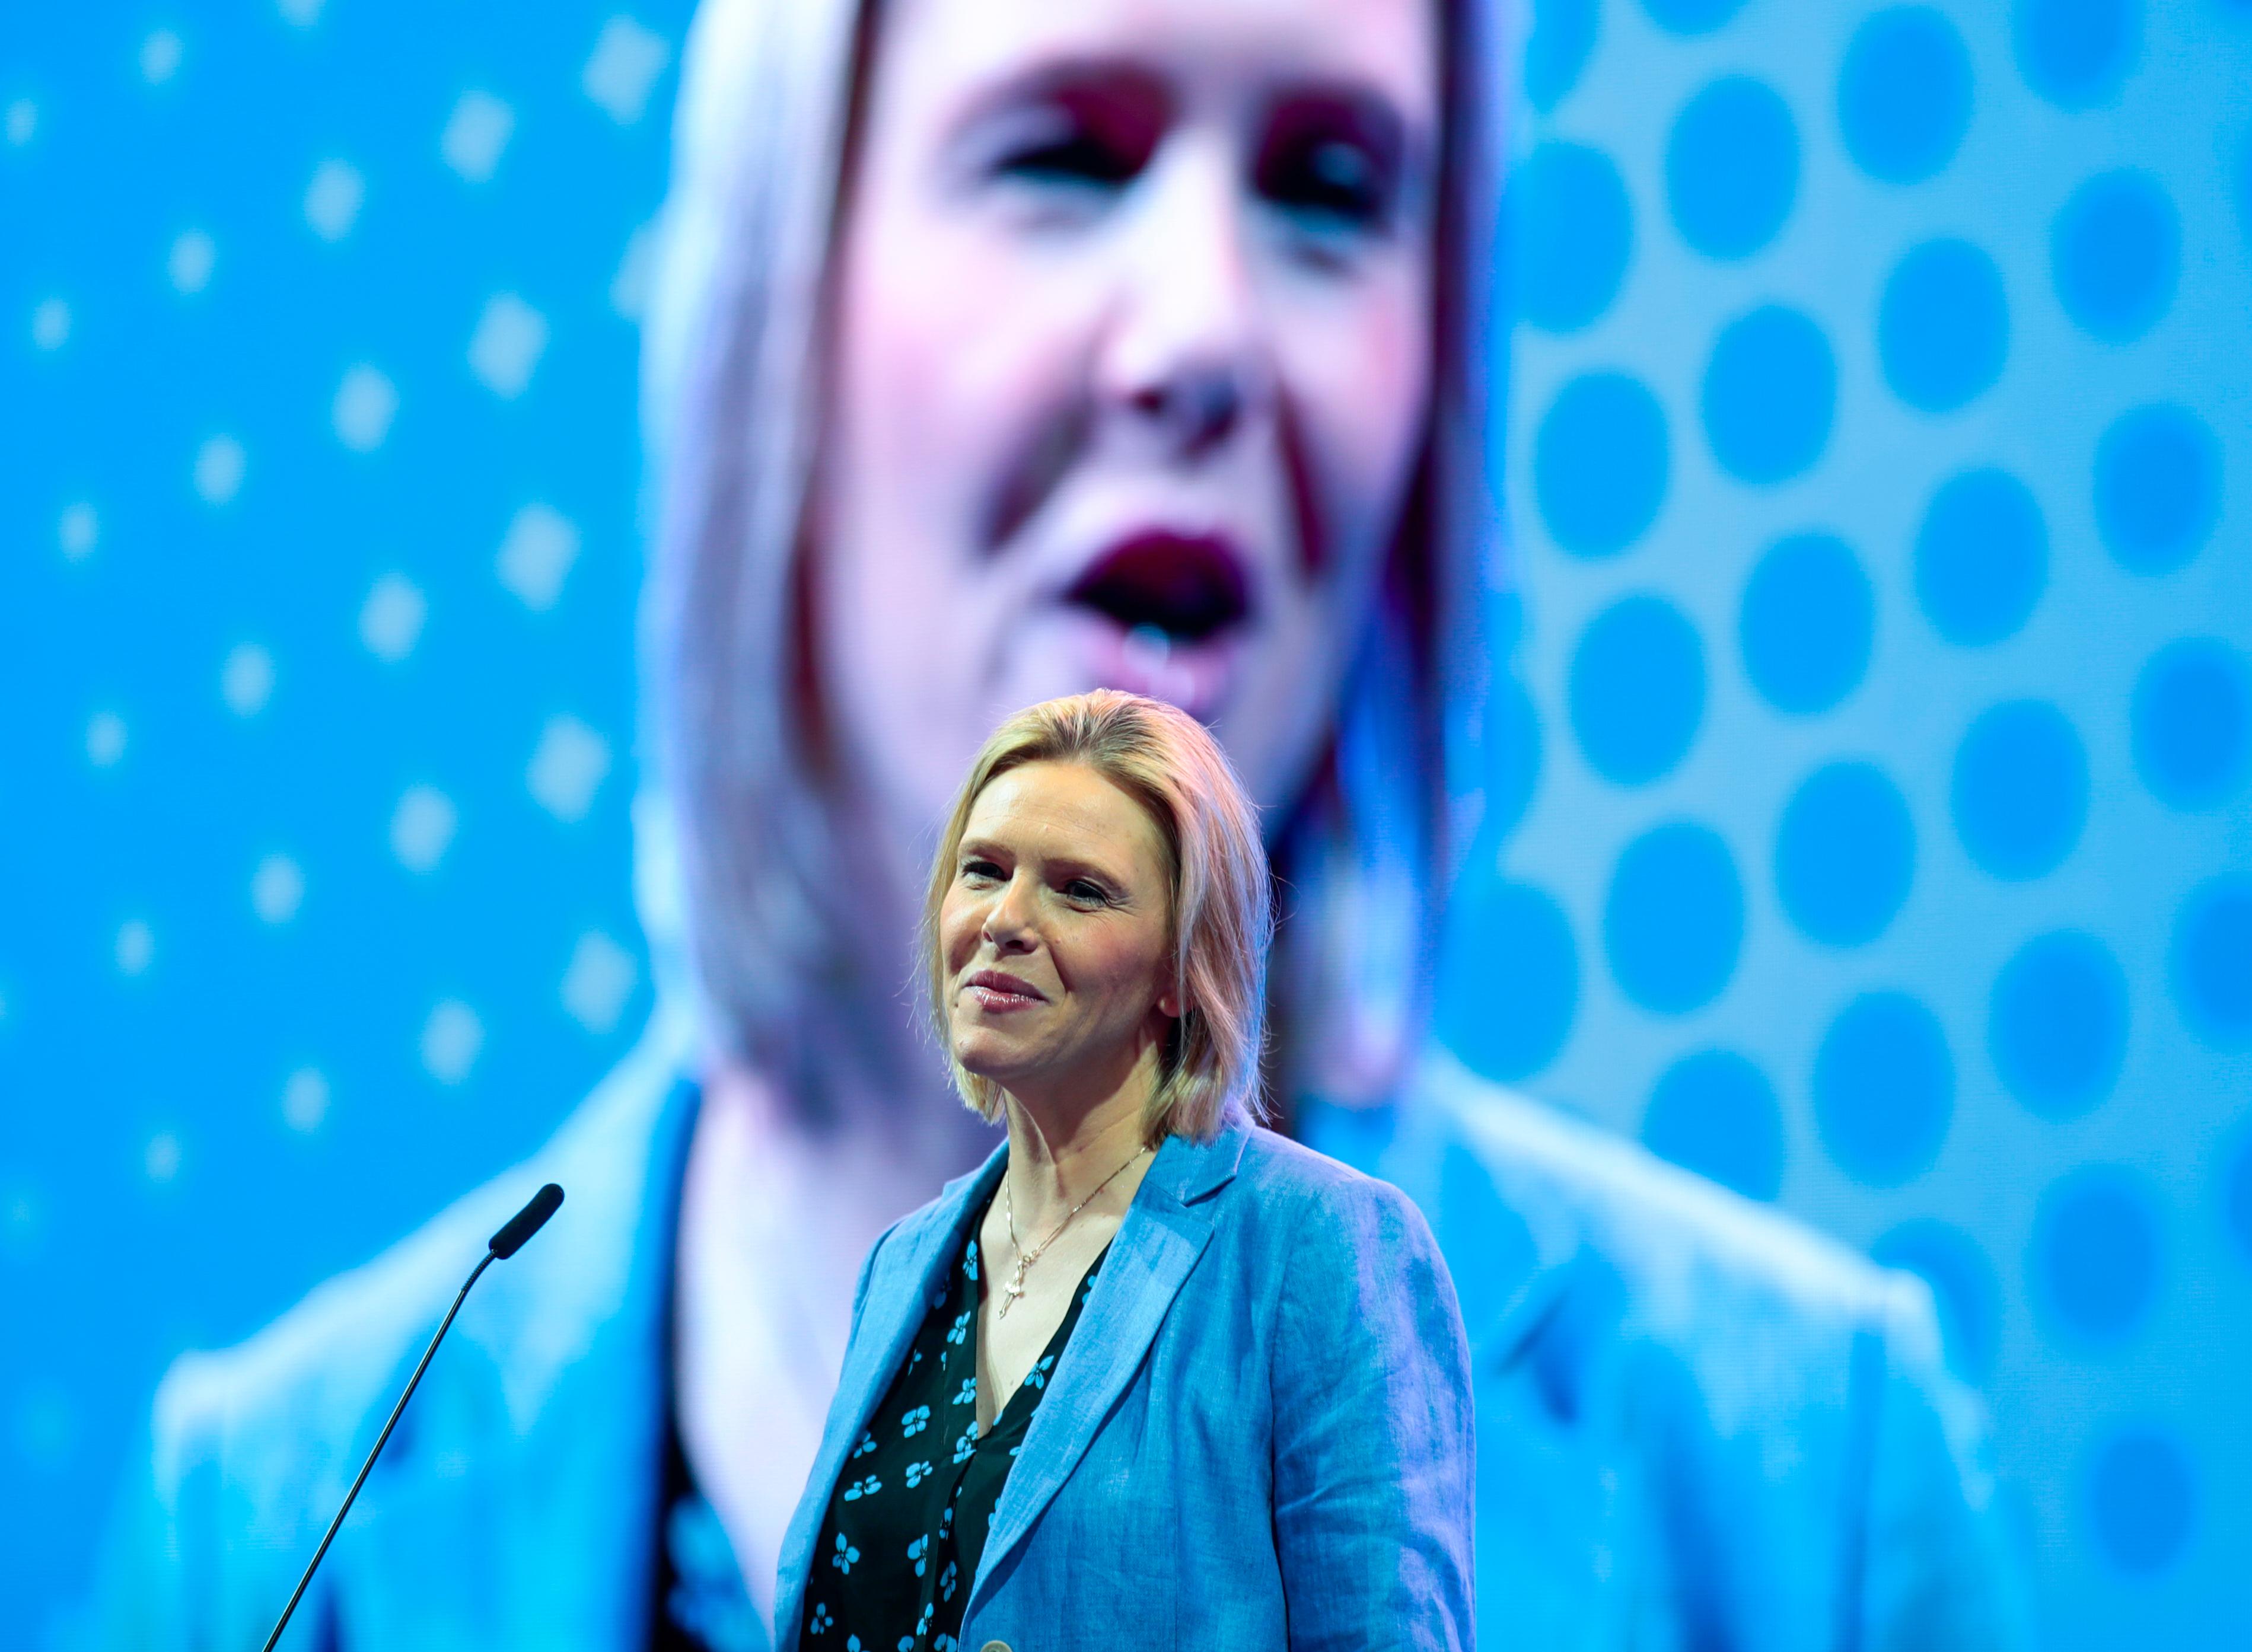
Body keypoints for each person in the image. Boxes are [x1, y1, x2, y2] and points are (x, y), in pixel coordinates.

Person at [93, 0, 2027, 1647]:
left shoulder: (1805, 1494)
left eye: (1328, 188)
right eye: (1063, 157)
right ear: (792, 303)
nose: (1201, 332)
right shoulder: (274, 1531)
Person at [777, 690, 1473, 1651]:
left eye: (1080, 889)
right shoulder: (903, 1265)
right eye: (982, 870)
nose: (1003, 920)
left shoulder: (1316, 1246)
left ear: (1184, 967)